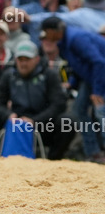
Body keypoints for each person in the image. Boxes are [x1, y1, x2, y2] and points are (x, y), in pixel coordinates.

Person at [0, 40, 74, 160]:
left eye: (27, 59)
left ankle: (53, 159)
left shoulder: (49, 75)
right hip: (15, 122)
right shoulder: (9, 75)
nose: (23, 63)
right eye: (20, 59)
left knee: (67, 123)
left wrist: (35, 121)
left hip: (42, 124)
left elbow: (59, 104)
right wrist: (9, 115)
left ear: (37, 59)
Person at [39, 16, 105, 162]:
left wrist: (98, 91)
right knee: (79, 109)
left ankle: (98, 151)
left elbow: (99, 63)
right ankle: (94, 153)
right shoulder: (64, 42)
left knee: (101, 112)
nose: (45, 36)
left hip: (99, 76)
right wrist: (72, 83)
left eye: (45, 32)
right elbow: (79, 65)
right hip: (92, 77)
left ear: (54, 31)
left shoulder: (76, 39)